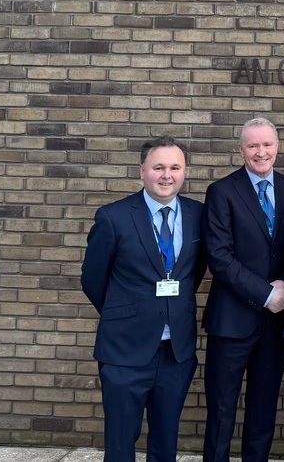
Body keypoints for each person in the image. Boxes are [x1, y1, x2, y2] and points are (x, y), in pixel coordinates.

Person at [81, 136, 207, 462]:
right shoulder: (113, 217)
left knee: (165, 445)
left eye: (175, 167)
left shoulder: (199, 215)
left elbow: (194, 273)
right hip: (124, 351)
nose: (167, 175)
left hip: (176, 354)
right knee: (121, 445)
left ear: (184, 171)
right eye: (159, 167)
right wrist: (127, 314)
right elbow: (93, 280)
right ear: (142, 171)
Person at [201, 118, 284, 461]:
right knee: (221, 412)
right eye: (253, 146)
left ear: (277, 146)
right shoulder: (221, 191)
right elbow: (218, 256)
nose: (261, 152)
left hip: (274, 325)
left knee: (263, 411)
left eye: (267, 145)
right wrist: (265, 294)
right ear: (240, 150)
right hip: (231, 321)